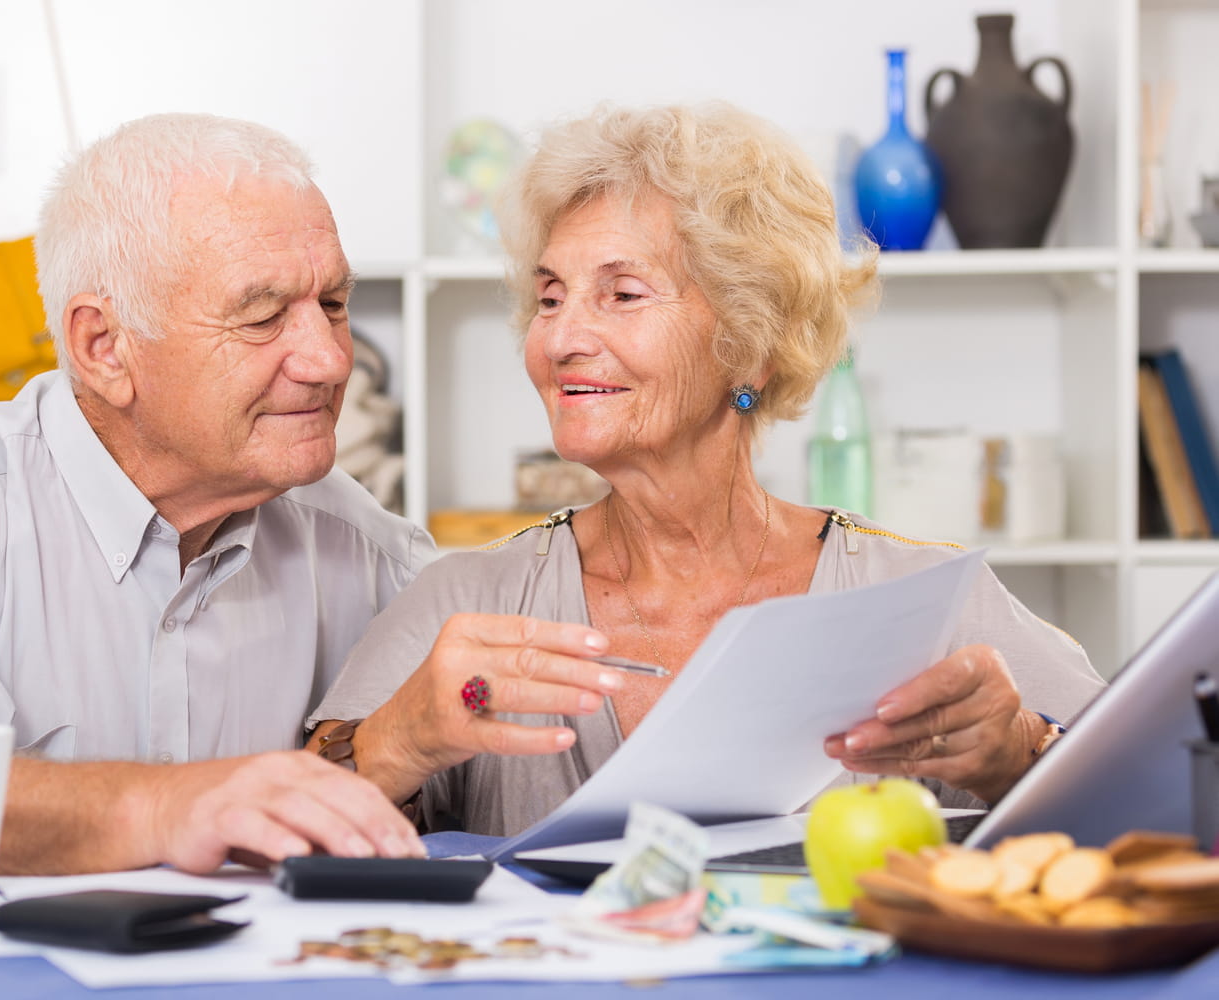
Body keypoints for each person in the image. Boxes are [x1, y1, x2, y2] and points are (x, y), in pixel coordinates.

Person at [307, 102, 1106, 838]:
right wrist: (397, 742)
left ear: (751, 339)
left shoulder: (924, 601)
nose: (561, 339)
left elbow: (1161, 802)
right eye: (550, 298)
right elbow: (283, 837)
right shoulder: (465, 601)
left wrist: (1022, 751)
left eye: (622, 294)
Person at [0, 113, 433, 913]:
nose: (330, 359)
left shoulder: (352, 538)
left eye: (332, 302)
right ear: (103, 346)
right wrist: (173, 805)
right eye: (261, 318)